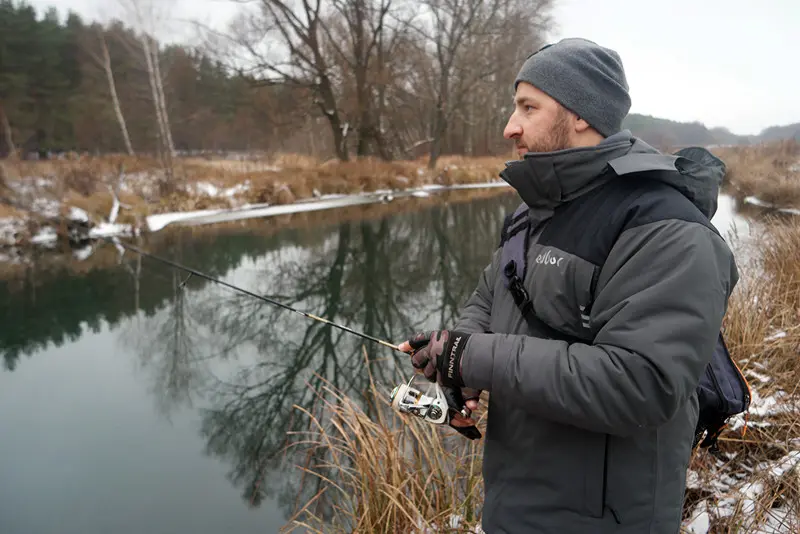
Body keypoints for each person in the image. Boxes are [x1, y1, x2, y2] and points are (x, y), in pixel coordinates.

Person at [398, 37, 738, 533]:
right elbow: (490, 301)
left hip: (605, 520)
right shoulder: (531, 213)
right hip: (514, 504)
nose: (510, 126)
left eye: (528, 107)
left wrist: (474, 356)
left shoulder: (667, 228)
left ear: (581, 113)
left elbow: (640, 383)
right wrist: (456, 361)